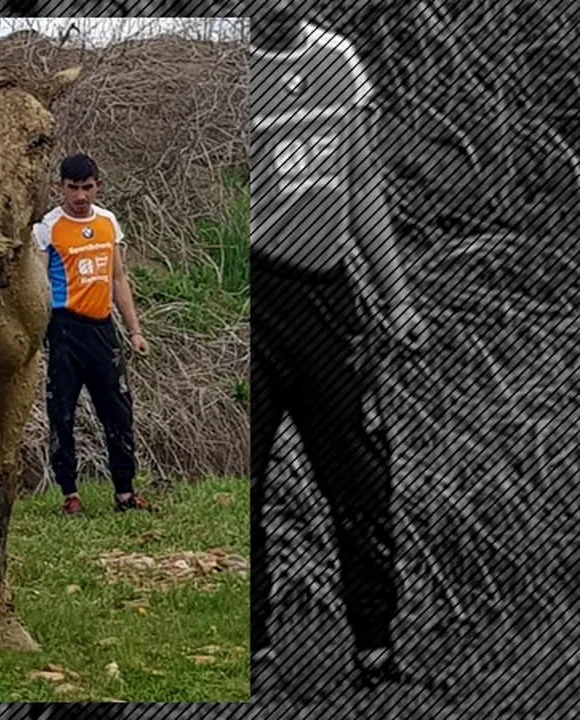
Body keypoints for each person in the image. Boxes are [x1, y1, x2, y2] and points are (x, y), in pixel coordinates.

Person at [233, 0, 432, 694]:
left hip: (328, 300)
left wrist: (398, 297)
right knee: (242, 487)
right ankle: (253, 655)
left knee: (362, 479)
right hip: (251, 300)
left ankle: (376, 653)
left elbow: (363, 187)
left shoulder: (338, 60)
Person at [32, 153, 152, 517]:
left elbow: (118, 278)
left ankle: (125, 493)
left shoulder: (108, 222)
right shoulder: (47, 228)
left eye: (88, 188)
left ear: (98, 185)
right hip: (64, 329)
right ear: (61, 188)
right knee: (62, 415)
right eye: (73, 188)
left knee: (118, 412)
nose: (81, 196)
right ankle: (70, 494)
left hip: (102, 329)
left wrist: (134, 330)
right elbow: (35, 288)